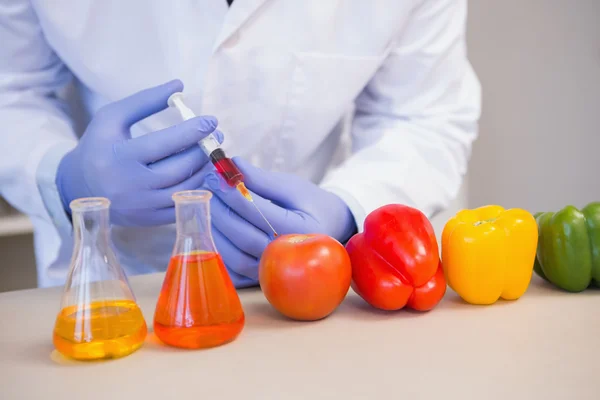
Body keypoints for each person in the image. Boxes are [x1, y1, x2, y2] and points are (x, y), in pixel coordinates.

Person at [0, 0, 481, 288]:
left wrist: (348, 210)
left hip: (307, 285)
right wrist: (62, 177)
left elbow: (423, 112)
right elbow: (10, 89)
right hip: (120, 281)